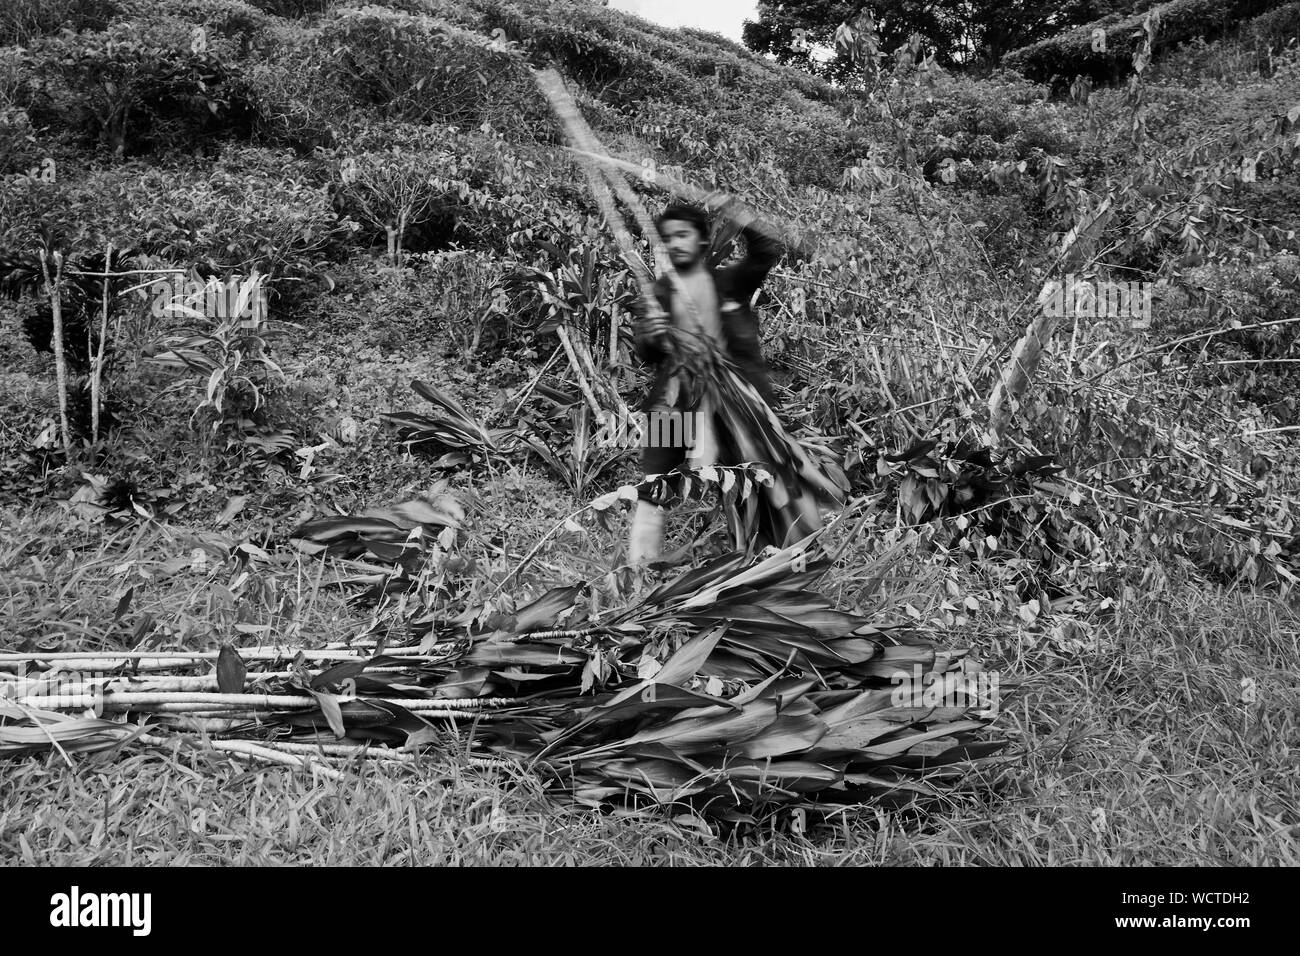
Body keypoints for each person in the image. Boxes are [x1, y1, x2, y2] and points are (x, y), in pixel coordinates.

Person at [626, 199, 785, 565]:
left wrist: (735, 211)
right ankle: (640, 567)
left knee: (750, 484)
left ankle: (756, 563)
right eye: (670, 238)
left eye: (684, 235)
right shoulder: (661, 293)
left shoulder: (729, 282)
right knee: (655, 484)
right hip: (674, 404)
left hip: (735, 408)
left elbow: (766, 249)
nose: (676, 244)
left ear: (700, 241)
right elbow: (647, 354)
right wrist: (651, 336)